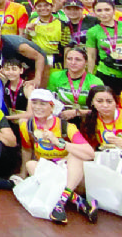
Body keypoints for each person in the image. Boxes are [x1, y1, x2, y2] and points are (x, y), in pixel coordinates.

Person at [18, 89, 97, 225]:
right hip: (48, 171)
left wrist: (59, 142)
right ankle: (77, 200)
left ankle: (60, 201)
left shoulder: (66, 126)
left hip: (71, 173)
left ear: (52, 107)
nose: (37, 107)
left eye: (43, 104)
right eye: (34, 103)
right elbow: (26, 149)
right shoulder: (27, 125)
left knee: (75, 155)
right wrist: (22, 174)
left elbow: (90, 153)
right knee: (31, 165)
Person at [85, 0, 122, 94]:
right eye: (99, 10)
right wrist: (90, 77)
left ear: (114, 10)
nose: (103, 13)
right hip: (107, 73)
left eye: (107, 9)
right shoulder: (92, 31)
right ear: (94, 12)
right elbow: (91, 56)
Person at [0, 23, 47, 88]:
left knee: (34, 89)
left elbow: (40, 57)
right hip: (18, 67)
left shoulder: (16, 45)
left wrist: (37, 79)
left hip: (37, 65)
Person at [46, 47, 103, 123]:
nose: (73, 62)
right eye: (69, 59)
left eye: (78, 59)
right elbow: (49, 101)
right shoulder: (55, 76)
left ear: (86, 62)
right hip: (62, 118)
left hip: (87, 120)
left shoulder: (95, 81)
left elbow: (101, 108)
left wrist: (77, 112)